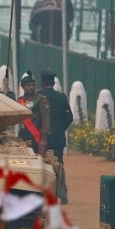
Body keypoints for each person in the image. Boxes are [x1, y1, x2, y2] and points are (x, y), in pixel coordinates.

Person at [39, 70, 74, 202]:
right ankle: (62, 194)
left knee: (42, 165)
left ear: (42, 82)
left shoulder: (38, 97)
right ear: (53, 83)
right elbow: (69, 117)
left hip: (42, 138)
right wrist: (60, 129)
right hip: (58, 138)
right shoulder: (62, 97)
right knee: (59, 165)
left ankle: (44, 193)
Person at [16, 73, 50, 156]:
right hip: (23, 135)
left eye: (33, 85)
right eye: (29, 85)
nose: (32, 87)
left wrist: (44, 139)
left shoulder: (41, 99)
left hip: (36, 136)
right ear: (23, 87)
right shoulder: (19, 100)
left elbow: (46, 120)